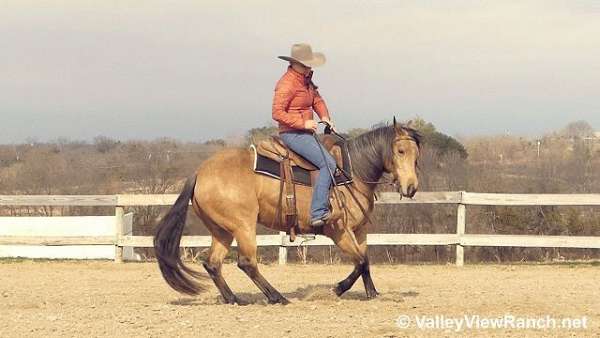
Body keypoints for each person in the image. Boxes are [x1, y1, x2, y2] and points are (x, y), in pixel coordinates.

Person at [272, 43, 338, 227]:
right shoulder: (286, 84)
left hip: (306, 133)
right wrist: (304, 123)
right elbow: (277, 113)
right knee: (328, 164)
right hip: (293, 133)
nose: (309, 67)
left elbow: (317, 100)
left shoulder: (305, 80)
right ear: (294, 63)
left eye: (310, 64)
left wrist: (325, 117)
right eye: (306, 64)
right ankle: (318, 212)